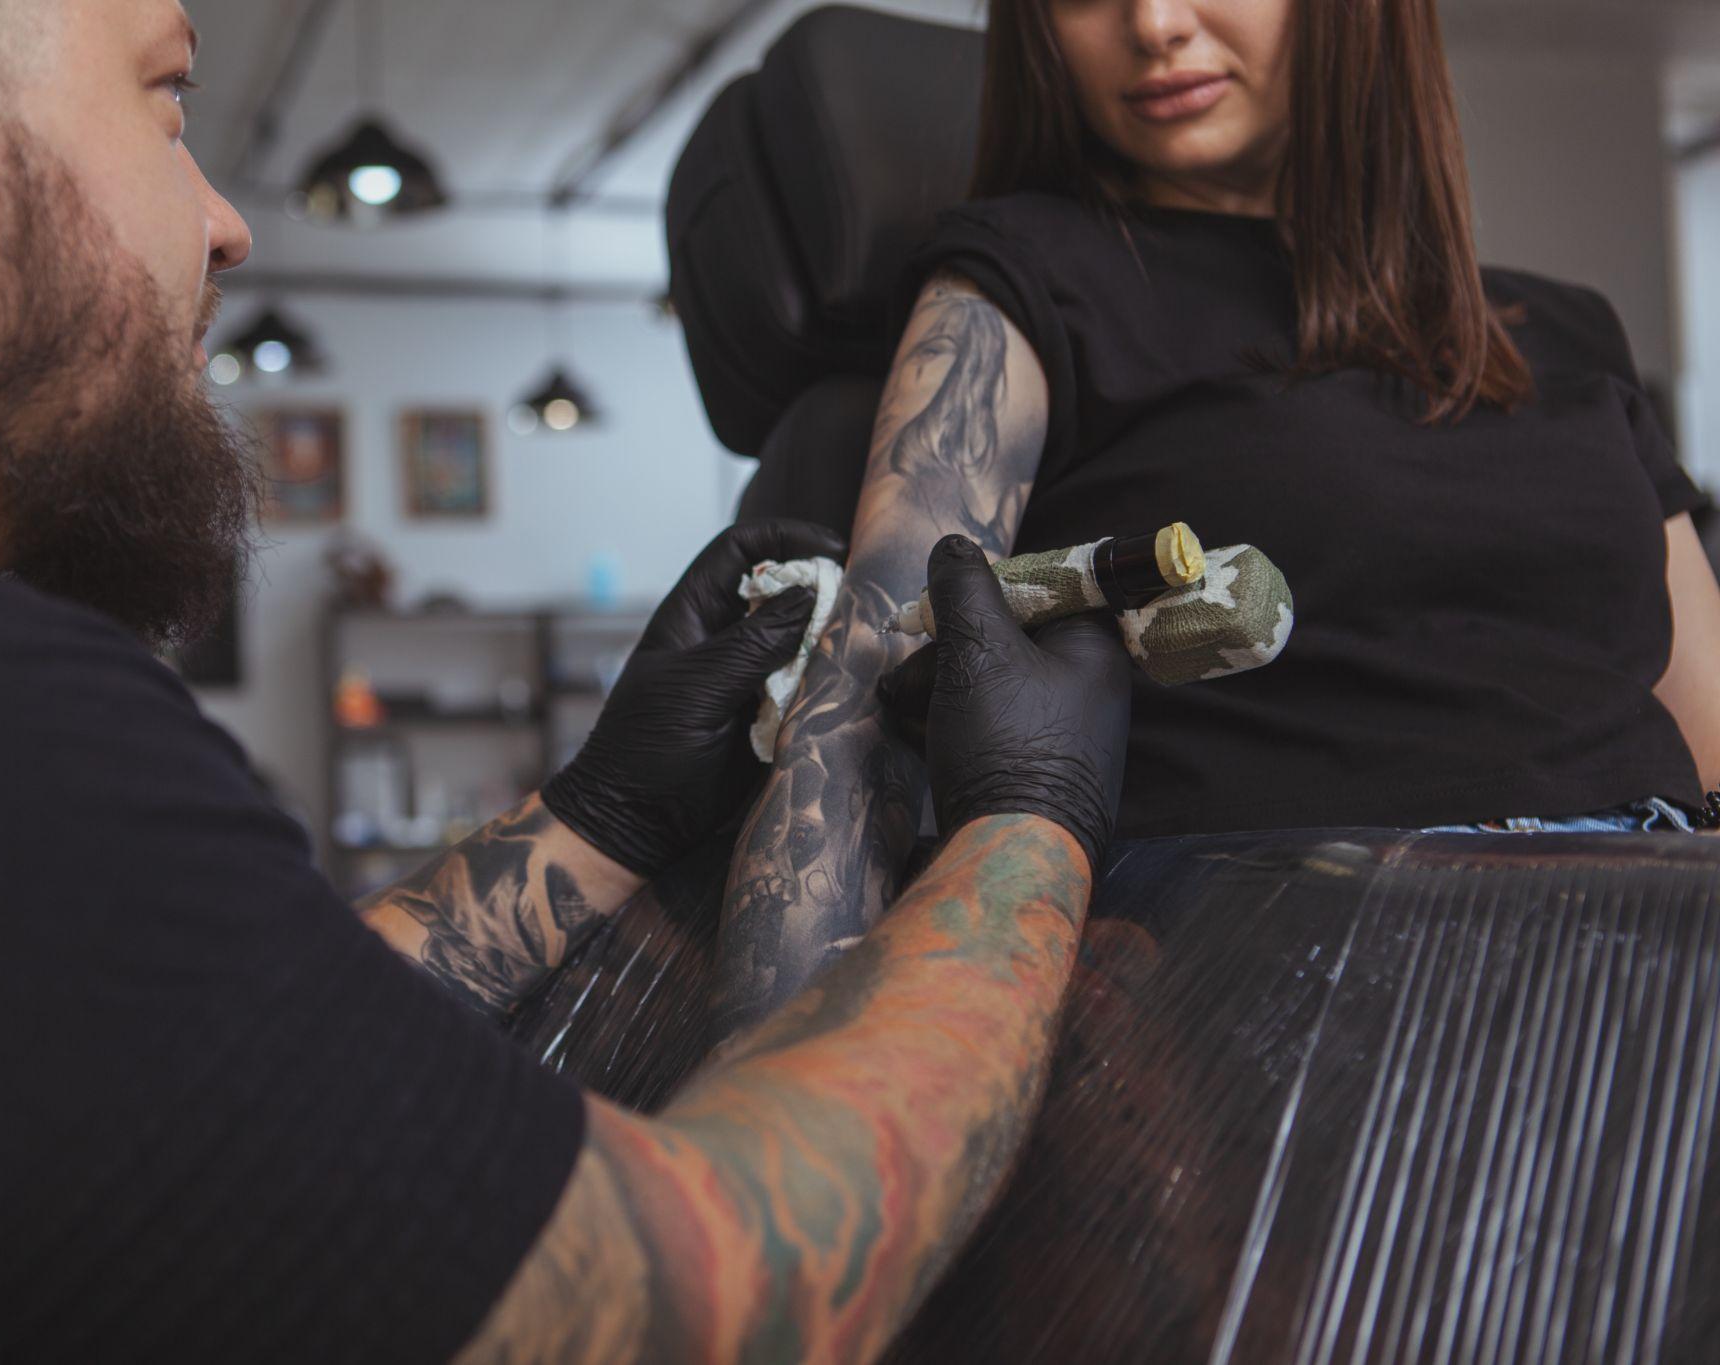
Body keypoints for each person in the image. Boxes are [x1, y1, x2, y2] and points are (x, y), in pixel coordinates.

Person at [0, 1, 1134, 1359]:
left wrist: (600, 816)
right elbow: (705, 1300)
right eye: (167, 102)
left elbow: (225, 1084)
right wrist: (1025, 824)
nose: (227, 223)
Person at [708, 0, 1720, 1036]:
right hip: (1310, 987)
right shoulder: (1018, 280)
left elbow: (1708, 736)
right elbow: (856, 716)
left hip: (1670, 939)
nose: (1154, 24)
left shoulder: (1564, 332)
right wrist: (771, 1098)